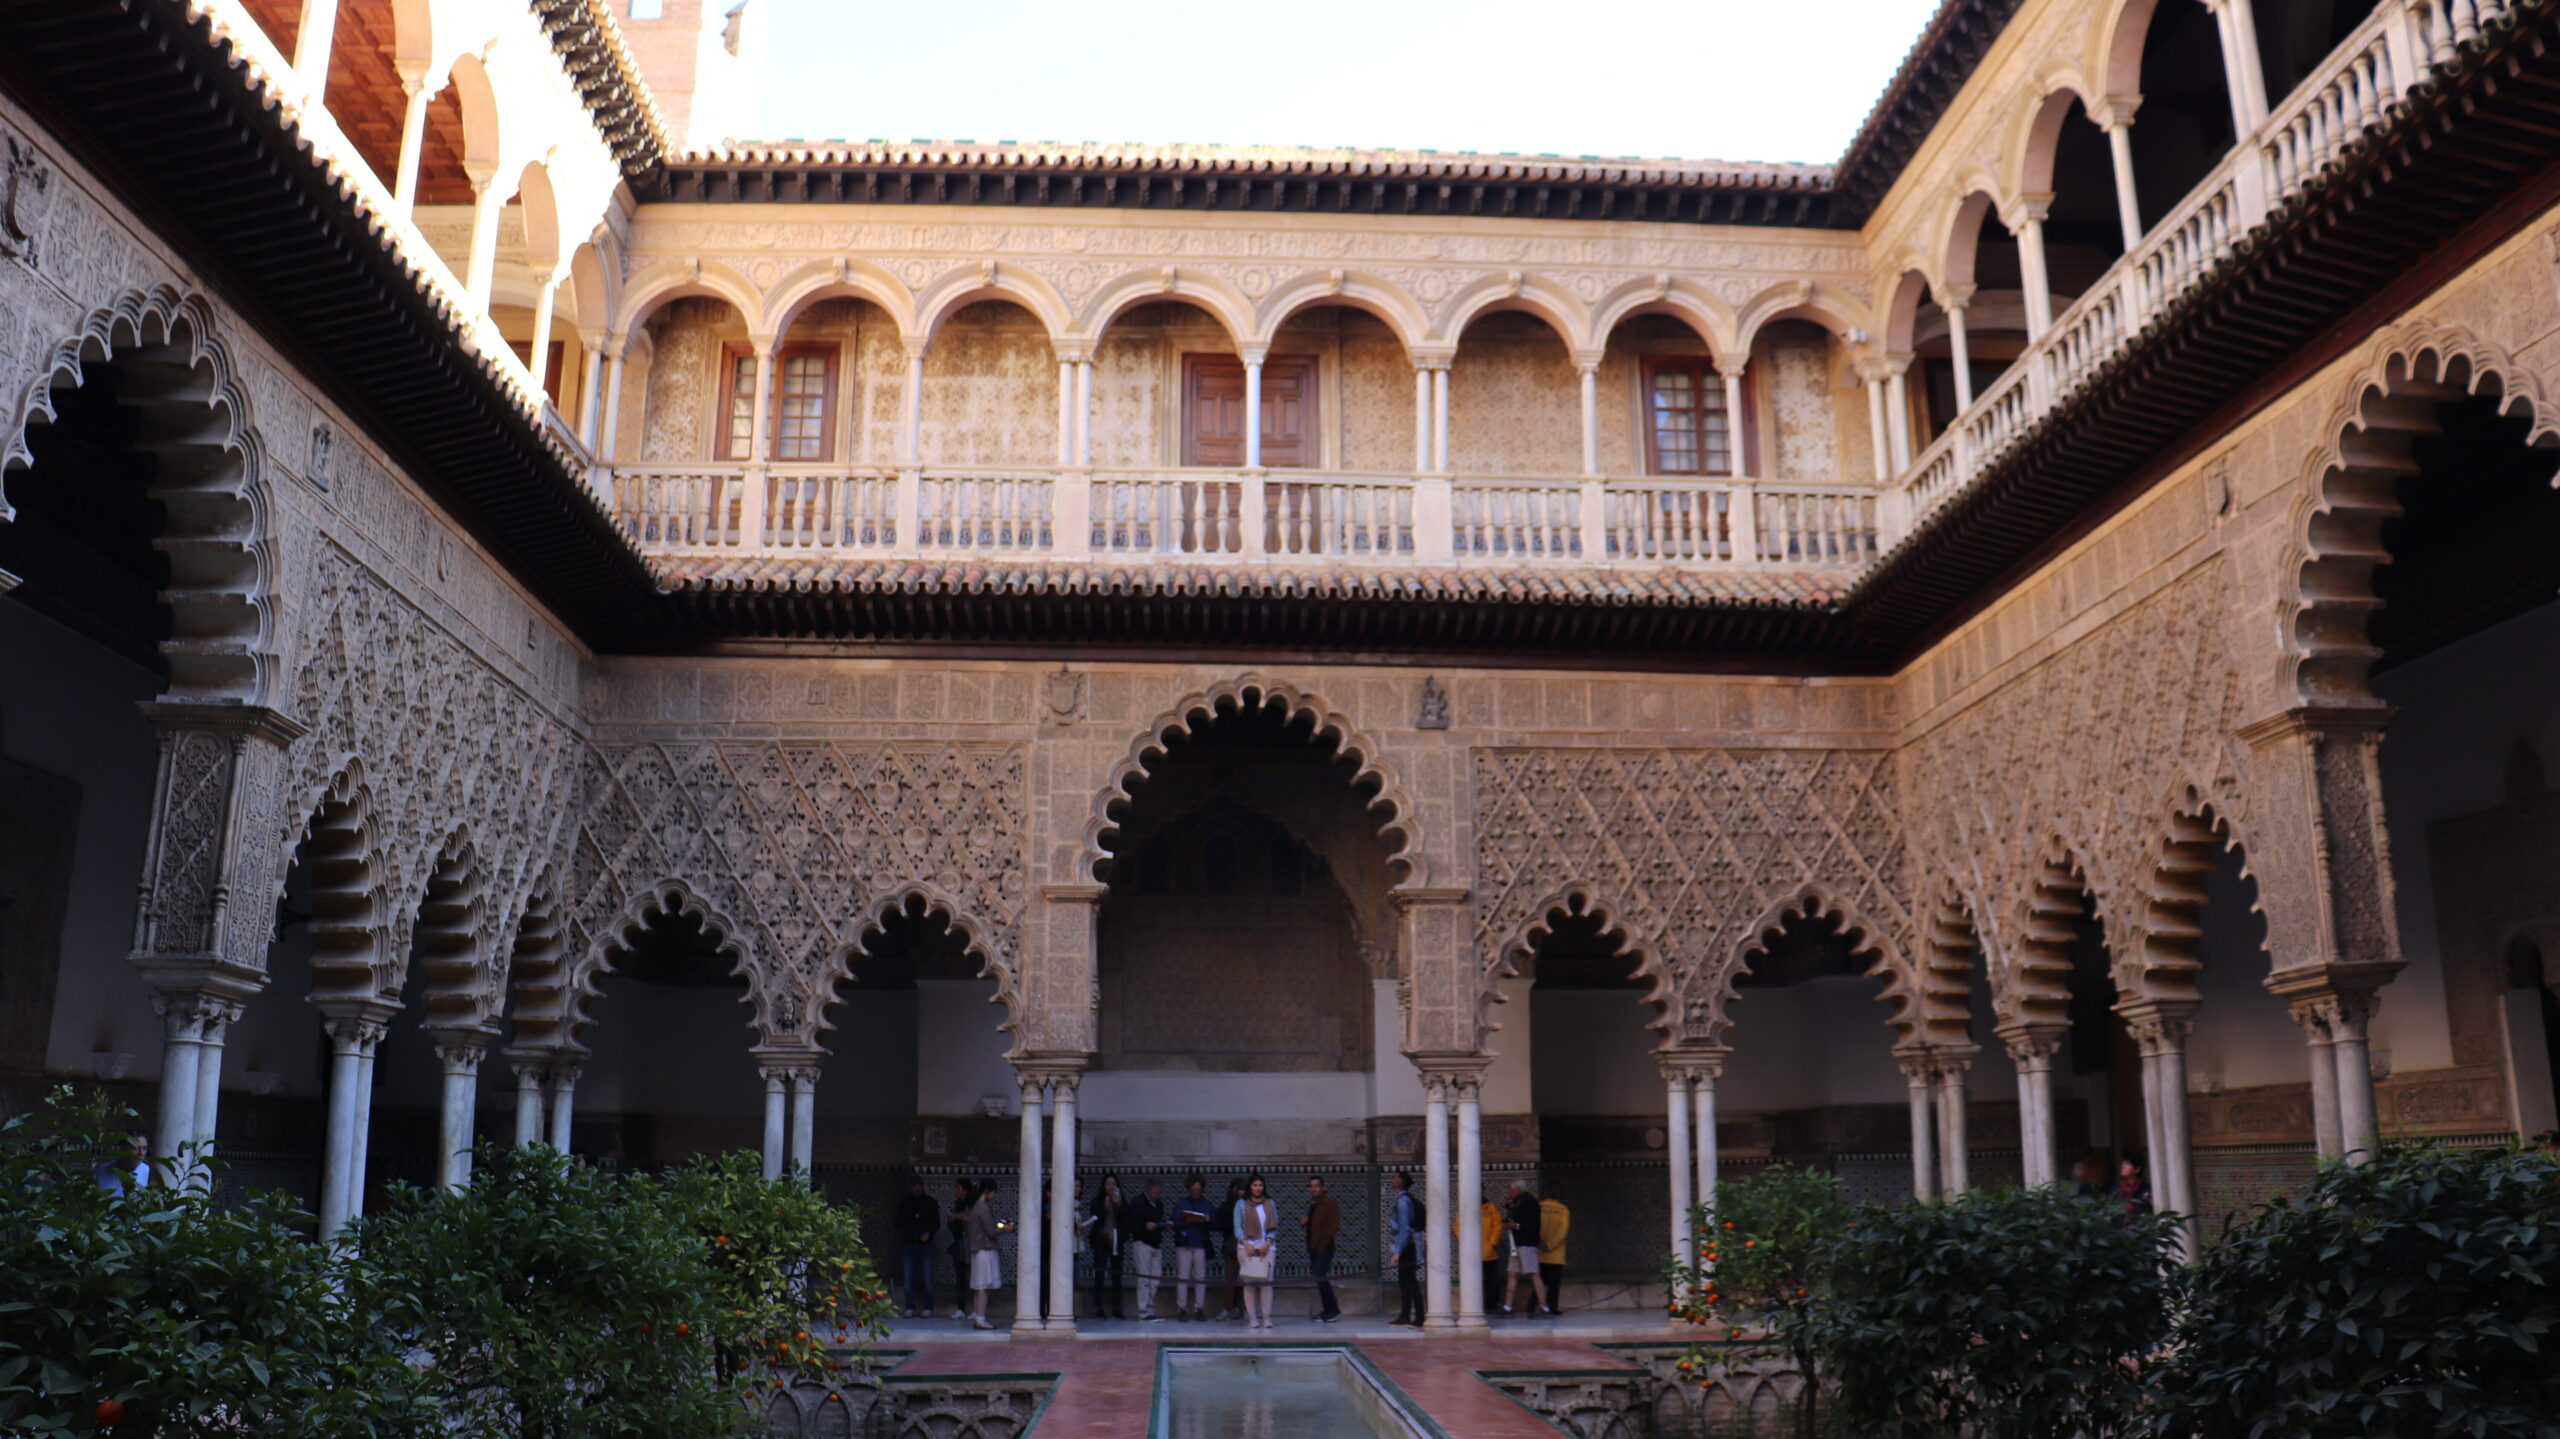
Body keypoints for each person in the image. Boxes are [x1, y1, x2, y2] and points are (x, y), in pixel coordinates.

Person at [1234, 1173, 1278, 1331]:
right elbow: (1237, 1227)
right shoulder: (1241, 1204)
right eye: (1255, 1185)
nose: (1258, 1188)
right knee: (1249, 1284)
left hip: (1267, 1247)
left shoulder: (1270, 1203)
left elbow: (1274, 1227)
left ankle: (1266, 1317)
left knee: (1266, 1284)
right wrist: (1246, 1244)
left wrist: (1267, 1243)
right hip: (1247, 1247)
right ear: (1249, 1187)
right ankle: (1252, 1317)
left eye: (1260, 1185)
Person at [894, 1176, 940, 1319]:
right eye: (914, 1185)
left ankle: (928, 1307)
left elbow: (936, 1223)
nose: (917, 1188)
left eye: (919, 1185)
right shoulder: (905, 1203)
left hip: (925, 1245)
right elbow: (898, 1223)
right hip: (909, 1243)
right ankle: (910, 1306)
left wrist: (928, 1233)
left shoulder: (930, 1203)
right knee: (909, 1277)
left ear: (923, 1186)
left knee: (927, 1277)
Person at [1172, 1174, 1216, 1321]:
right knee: (1183, 1277)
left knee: (1200, 1277)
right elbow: (1175, 1222)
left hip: (1200, 1243)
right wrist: (1187, 1220)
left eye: (1198, 1189)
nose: (1195, 1192)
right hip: (1184, 1243)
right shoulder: (1182, 1203)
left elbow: (1215, 1224)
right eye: (1193, 1189)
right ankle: (1181, 1309)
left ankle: (1199, 1308)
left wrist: (1207, 1220)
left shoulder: (1207, 1205)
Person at [1125, 1178, 1168, 1321]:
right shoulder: (1137, 1202)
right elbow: (1131, 1225)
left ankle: (1150, 1308)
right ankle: (1143, 1311)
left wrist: (1163, 1224)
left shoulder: (1159, 1203)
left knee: (1155, 1278)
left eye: (1159, 1193)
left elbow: (1160, 1220)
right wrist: (1145, 1225)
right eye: (1155, 1193)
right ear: (1149, 1190)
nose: (1157, 1196)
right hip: (1142, 1243)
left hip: (1156, 1244)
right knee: (1144, 1278)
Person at [1505, 1178, 1547, 1319]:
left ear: (1518, 1189)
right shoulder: (1518, 1202)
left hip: (1526, 1244)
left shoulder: (1529, 1202)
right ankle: (1508, 1307)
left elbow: (1532, 1225)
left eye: (1510, 1189)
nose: (1508, 1192)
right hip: (1516, 1244)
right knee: (1512, 1273)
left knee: (1533, 1273)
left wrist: (1515, 1225)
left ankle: (1544, 1307)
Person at [1386, 1170, 1424, 1326]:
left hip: (1408, 1246)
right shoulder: (1403, 1199)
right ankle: (1405, 1314)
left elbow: (1405, 1228)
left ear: (1400, 1181)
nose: (1393, 1179)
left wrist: (1397, 1252)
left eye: (1396, 1177)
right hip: (1408, 1245)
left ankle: (1419, 1316)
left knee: (1409, 1281)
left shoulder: (1402, 1201)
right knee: (1404, 1281)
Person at [963, 1179, 1002, 1330]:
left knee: (979, 1287)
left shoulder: (974, 1208)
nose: (994, 1195)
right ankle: (980, 1318)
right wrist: (1004, 1229)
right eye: (993, 1192)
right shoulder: (982, 1208)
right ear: (987, 1191)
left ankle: (978, 1316)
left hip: (977, 1251)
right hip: (984, 1251)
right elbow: (991, 1232)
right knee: (983, 1287)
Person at [1088, 1175, 1127, 1320]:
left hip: (1116, 1242)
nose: (1111, 1187)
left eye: (1114, 1184)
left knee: (1116, 1276)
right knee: (1100, 1275)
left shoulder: (1121, 1200)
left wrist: (1118, 1205)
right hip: (1101, 1242)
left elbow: (1125, 1220)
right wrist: (1104, 1207)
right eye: (1108, 1184)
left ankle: (1116, 1308)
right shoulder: (1097, 1201)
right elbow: (1095, 1220)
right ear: (1103, 1186)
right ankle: (1098, 1307)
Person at [1304, 1175, 1341, 1323]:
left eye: (1317, 1186)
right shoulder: (1314, 1205)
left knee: (1321, 1277)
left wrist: (1321, 1245)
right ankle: (1327, 1310)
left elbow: (1333, 1227)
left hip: (1323, 1247)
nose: (1314, 1189)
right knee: (1319, 1278)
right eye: (1311, 1186)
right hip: (1315, 1247)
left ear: (1322, 1187)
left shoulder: (1329, 1204)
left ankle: (1334, 1310)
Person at [1216, 1178, 1246, 1321]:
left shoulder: (1251, 1206)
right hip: (1232, 1248)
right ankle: (1227, 1308)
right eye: (1240, 1189)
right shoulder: (1227, 1206)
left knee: (1247, 1280)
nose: (1242, 1192)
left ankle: (1245, 1309)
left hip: (1248, 1248)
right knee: (1230, 1279)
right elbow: (1221, 1225)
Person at [1538, 1188, 1571, 1316]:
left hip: (1540, 1253)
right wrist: (1550, 1245)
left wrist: (1540, 1243)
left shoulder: (1539, 1207)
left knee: (1539, 1283)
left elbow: (1534, 1226)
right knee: (1553, 1285)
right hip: (1556, 1256)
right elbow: (1562, 1232)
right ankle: (1552, 1308)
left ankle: (1532, 1307)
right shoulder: (1563, 1210)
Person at [946, 1177, 975, 1318]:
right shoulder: (957, 1205)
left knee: (974, 1279)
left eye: (958, 1188)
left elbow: (976, 1224)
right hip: (959, 1246)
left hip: (971, 1246)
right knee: (960, 1279)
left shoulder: (973, 1206)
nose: (956, 1191)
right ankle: (961, 1308)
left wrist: (964, 1218)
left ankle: (976, 1309)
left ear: (966, 1190)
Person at [92, 1132, 150, 1197]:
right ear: (123, 1148)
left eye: (144, 1148)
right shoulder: (100, 1171)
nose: (141, 1153)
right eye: (135, 1148)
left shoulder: (146, 1170)